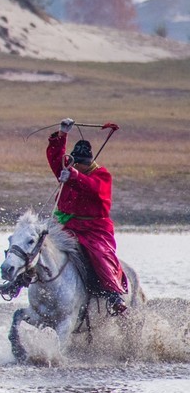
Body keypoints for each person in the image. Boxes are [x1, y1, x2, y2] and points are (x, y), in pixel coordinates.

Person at [47, 117, 128, 315]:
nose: (71, 167)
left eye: (76, 166)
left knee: (100, 255)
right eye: (71, 164)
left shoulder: (102, 175)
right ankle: (18, 280)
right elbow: (56, 159)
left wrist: (73, 176)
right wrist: (62, 134)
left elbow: (94, 189)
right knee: (36, 244)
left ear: (87, 164)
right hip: (65, 224)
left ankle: (113, 294)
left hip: (93, 229)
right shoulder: (70, 168)